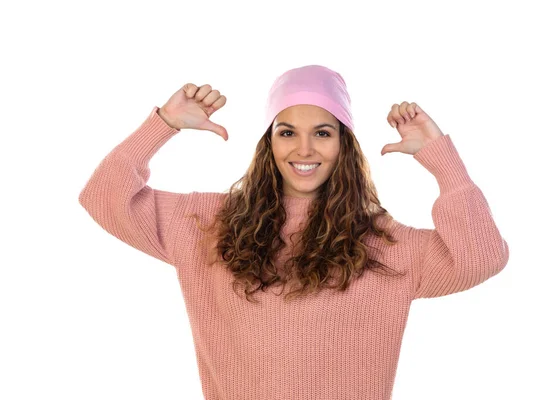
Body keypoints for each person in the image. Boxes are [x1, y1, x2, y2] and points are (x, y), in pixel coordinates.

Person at [78, 64, 509, 399]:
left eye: (322, 133)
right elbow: (102, 196)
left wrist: (441, 160)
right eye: (287, 132)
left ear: (344, 144)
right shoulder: (209, 224)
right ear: (269, 143)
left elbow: (483, 257)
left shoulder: (384, 244)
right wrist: (164, 124)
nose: (304, 149)